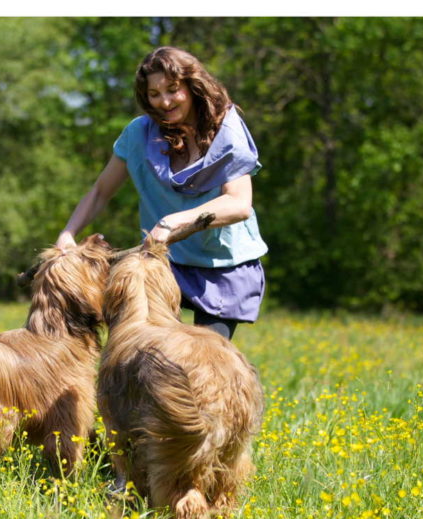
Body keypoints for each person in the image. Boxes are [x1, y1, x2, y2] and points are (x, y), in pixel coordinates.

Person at [55, 46, 267, 340]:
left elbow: (239, 204)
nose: (164, 101)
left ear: (192, 87)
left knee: (203, 362)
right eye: (154, 94)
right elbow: (101, 192)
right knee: (143, 353)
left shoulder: (226, 132)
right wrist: (69, 232)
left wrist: (172, 223)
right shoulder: (139, 134)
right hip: (162, 262)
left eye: (172, 90)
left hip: (221, 267)